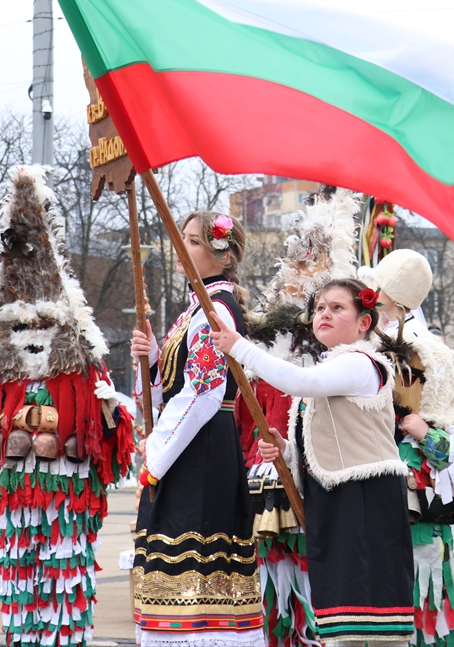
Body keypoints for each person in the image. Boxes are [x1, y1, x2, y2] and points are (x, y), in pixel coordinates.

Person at [0, 166, 133, 647]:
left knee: (65, 569)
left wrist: (113, 409)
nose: (33, 339)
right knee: (18, 570)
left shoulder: (85, 373)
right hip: (14, 494)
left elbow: (116, 441)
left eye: (44, 329)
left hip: (68, 495)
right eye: (21, 331)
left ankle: (65, 638)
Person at [211, 277, 416, 646]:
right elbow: (327, 438)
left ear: (363, 322)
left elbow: (299, 382)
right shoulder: (332, 366)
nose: (324, 314)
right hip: (337, 498)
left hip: (366, 498)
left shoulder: (360, 362)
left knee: (373, 621)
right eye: (320, 307)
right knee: (340, 617)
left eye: (338, 308)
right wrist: (287, 450)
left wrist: (240, 347)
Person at [130, 211, 264, 646]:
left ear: (222, 255)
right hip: (192, 444)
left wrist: (156, 456)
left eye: (192, 241)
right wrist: (151, 358)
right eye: (183, 239)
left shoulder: (215, 309)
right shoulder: (198, 306)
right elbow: (174, 385)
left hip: (200, 449)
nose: (181, 248)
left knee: (195, 558)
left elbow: (203, 391)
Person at [372, 249, 454, 647]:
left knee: (426, 590)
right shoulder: (361, 347)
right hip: (370, 495)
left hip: (421, 506)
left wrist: (421, 432)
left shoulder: (432, 357)